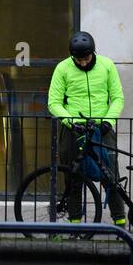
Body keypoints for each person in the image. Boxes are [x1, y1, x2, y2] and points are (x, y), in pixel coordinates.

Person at [47, 30, 126, 227]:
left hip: (102, 129)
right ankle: (75, 224)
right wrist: (70, 121)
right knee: (73, 177)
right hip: (73, 130)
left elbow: (117, 98)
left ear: (93, 53)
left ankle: (120, 223)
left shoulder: (107, 65)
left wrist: (109, 121)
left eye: (86, 58)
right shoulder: (62, 68)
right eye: (78, 59)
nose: (83, 62)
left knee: (110, 177)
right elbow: (54, 102)